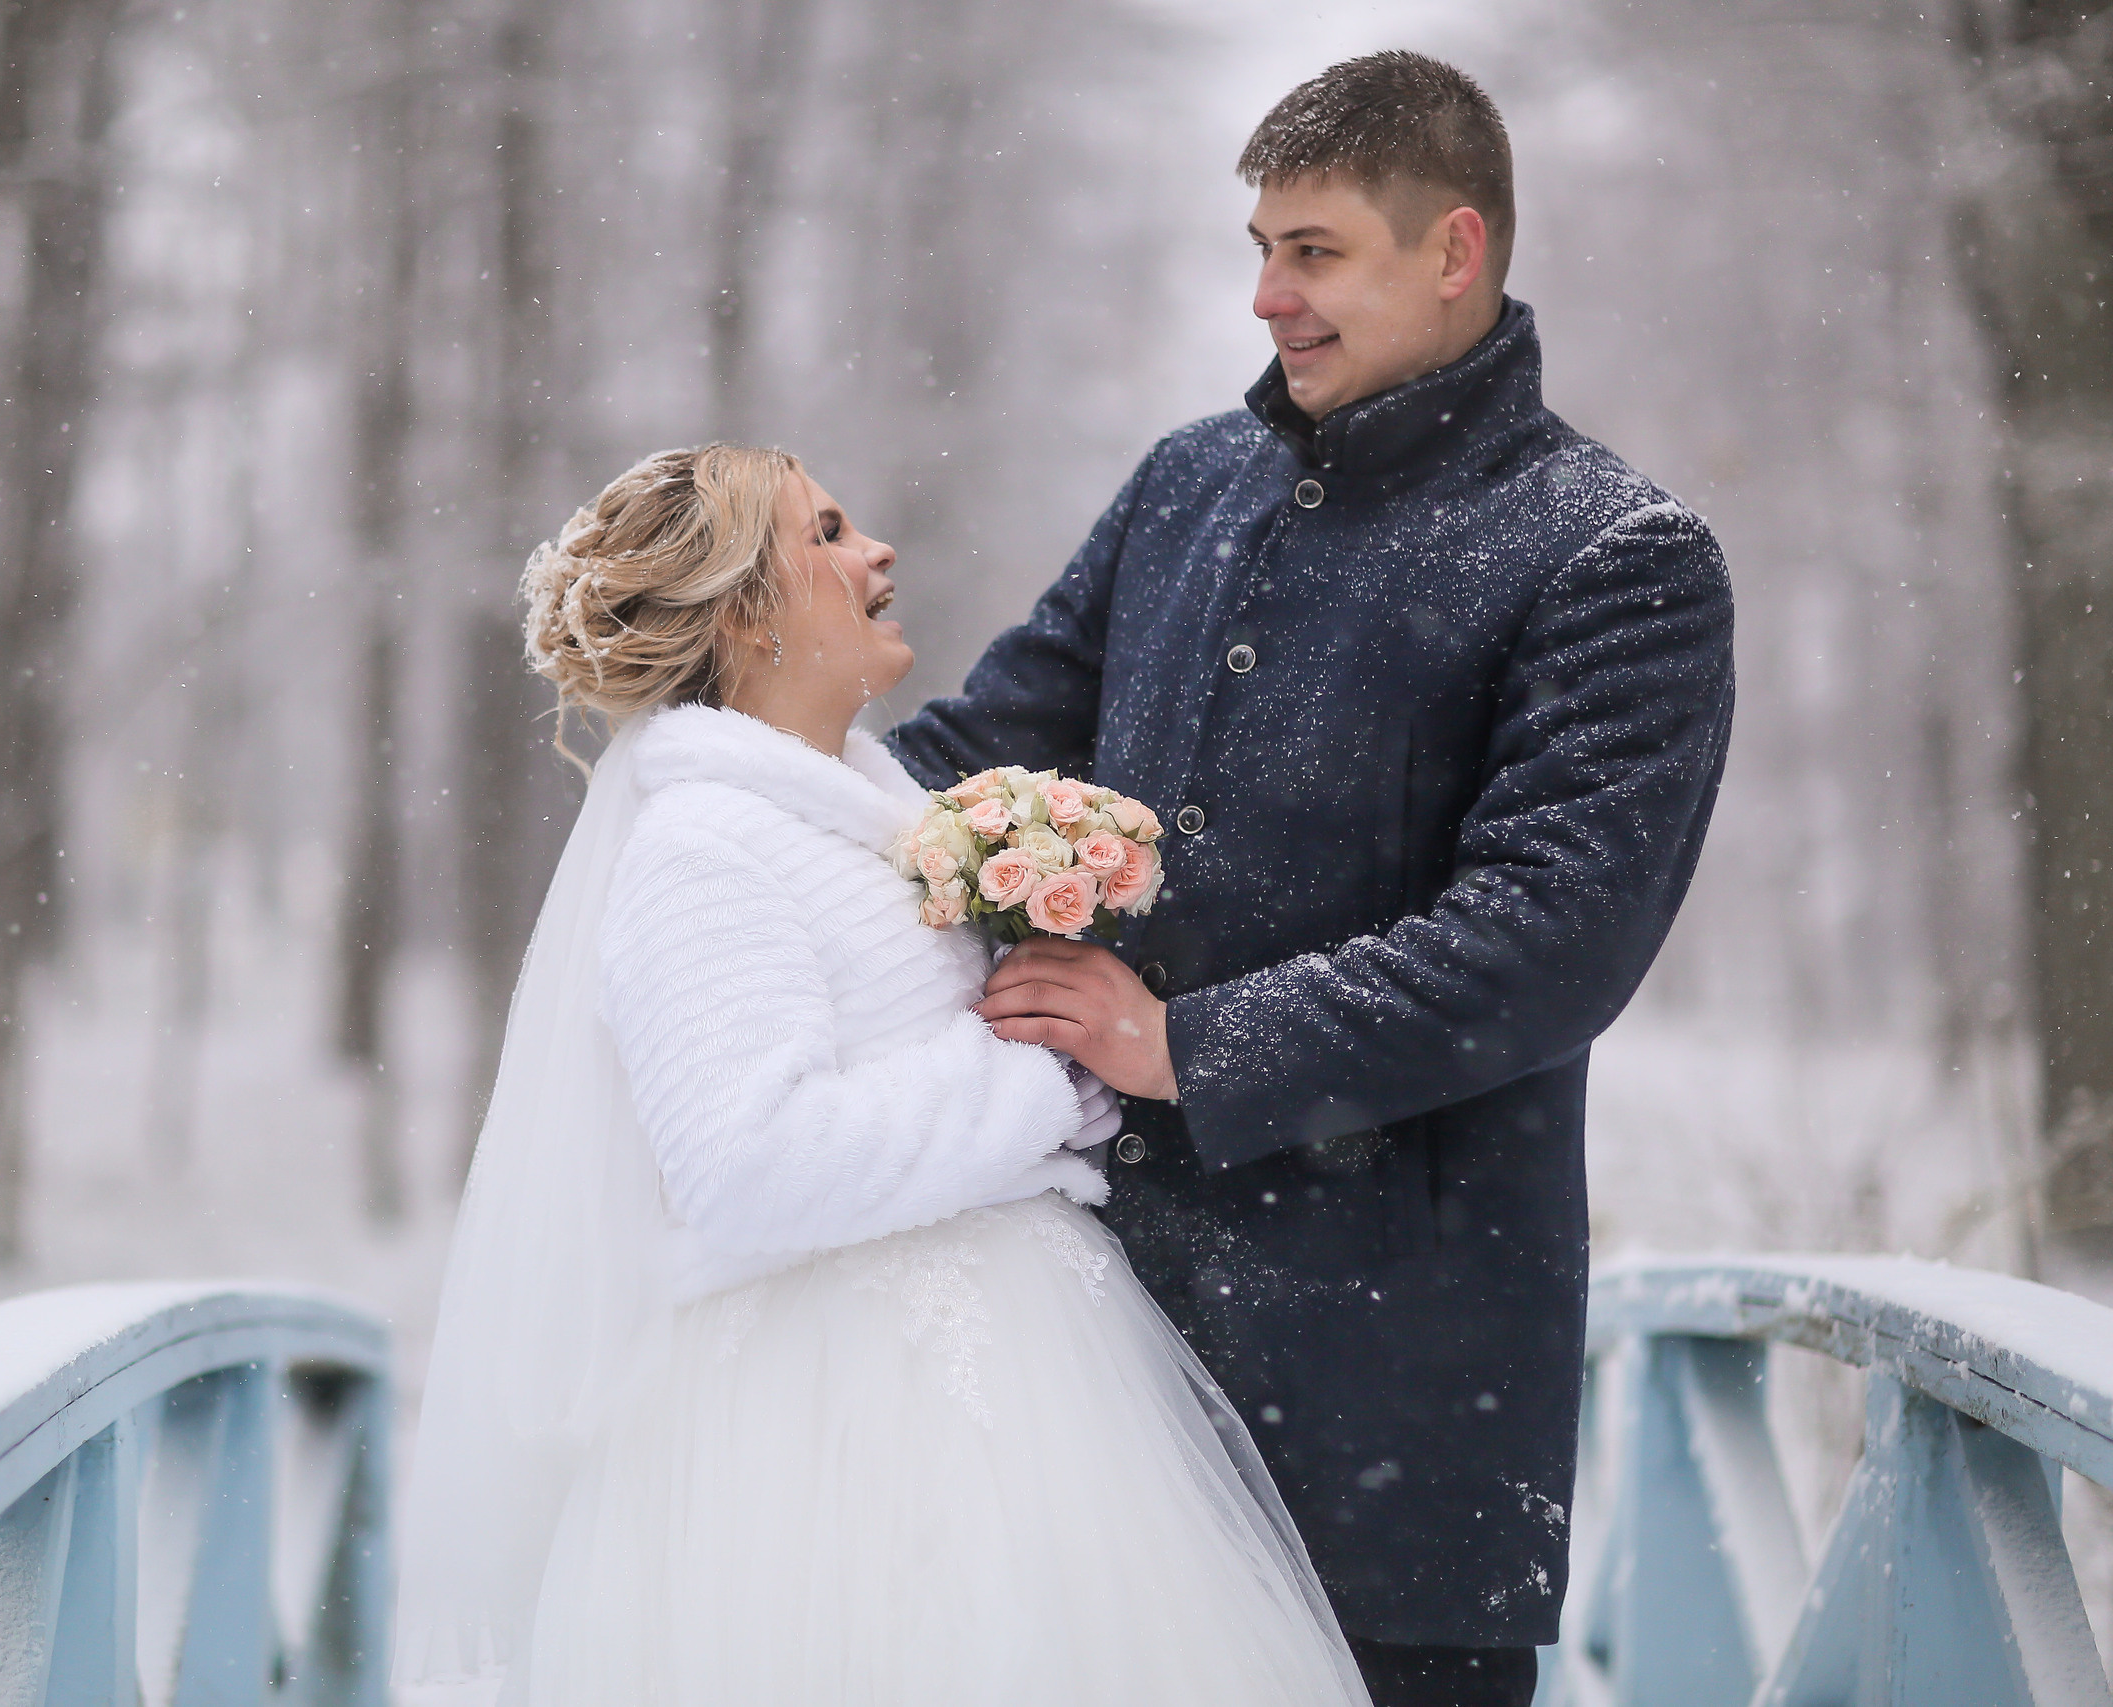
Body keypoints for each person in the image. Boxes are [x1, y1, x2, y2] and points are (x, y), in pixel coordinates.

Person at [887, 51, 1736, 1707]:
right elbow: (979, 751)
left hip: (1399, 1412)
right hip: (1092, 1364)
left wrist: (1182, 1045)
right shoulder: (1184, 485)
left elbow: (1547, 940)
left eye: (1317, 251)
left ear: (1455, 248)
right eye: (1261, 246)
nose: (1268, 294)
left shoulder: (1616, 556)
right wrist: (732, 790)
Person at [395, 442, 1372, 1706]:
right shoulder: (706, 850)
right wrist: (1037, 1086)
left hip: (1001, 1403)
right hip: (836, 1445)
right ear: (748, 613)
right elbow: (746, 1166)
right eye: (830, 532)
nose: (877, 552)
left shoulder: (853, 819)